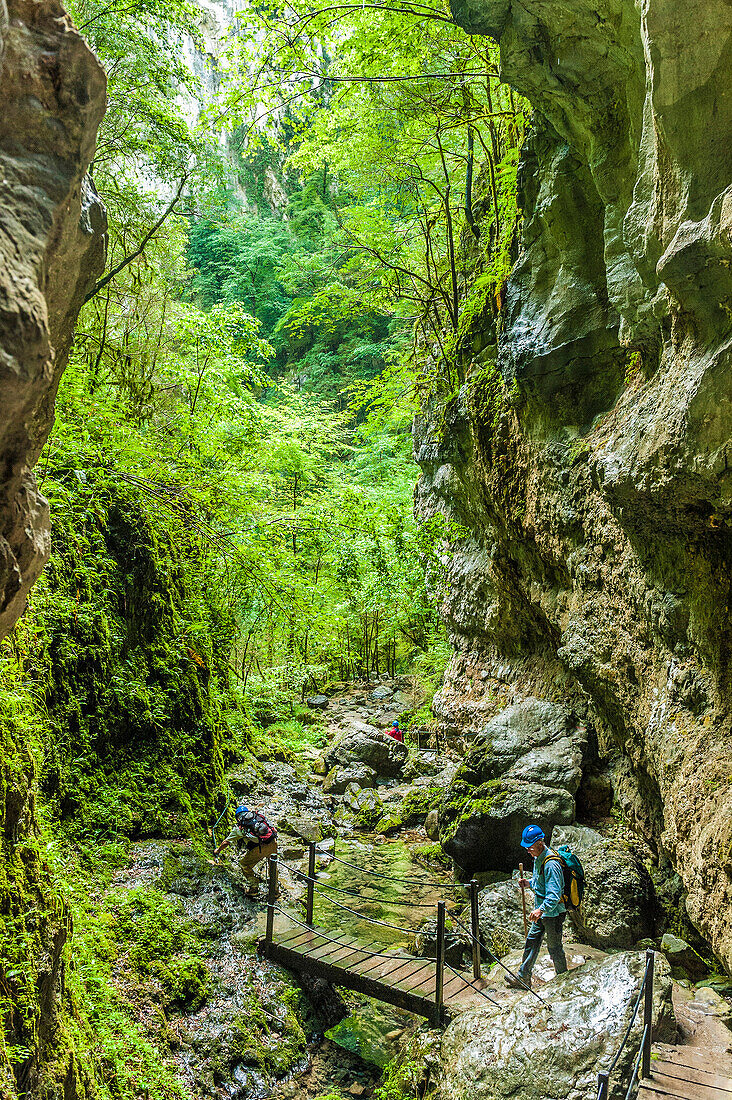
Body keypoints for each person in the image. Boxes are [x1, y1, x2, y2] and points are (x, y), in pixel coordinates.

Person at [505, 824, 567, 989]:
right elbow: (541, 883)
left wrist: (541, 910)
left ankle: (564, 979)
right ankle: (523, 976)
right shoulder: (538, 858)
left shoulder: (551, 864)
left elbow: (554, 895)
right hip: (541, 911)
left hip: (552, 913)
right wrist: (528, 883)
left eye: (530, 846)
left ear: (540, 843)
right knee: (532, 941)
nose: (528, 850)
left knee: (554, 948)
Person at [213, 805, 278, 897]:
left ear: (237, 817)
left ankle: (253, 887)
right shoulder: (258, 817)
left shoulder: (241, 827)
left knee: (244, 864)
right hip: (273, 842)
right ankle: (275, 891)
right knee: (273, 866)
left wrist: (218, 851)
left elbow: (226, 842)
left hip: (261, 847)